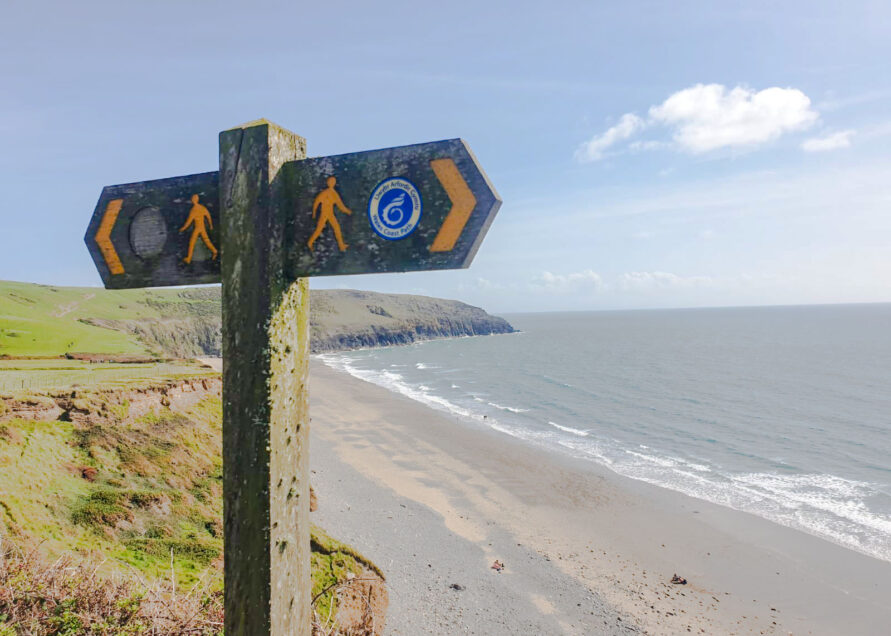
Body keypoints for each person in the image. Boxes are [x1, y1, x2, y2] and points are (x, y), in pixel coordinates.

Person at [307, 176, 352, 252]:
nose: (332, 183)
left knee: (337, 228)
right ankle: (310, 242)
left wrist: (347, 211)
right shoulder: (325, 193)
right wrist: (314, 213)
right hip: (324, 214)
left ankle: (341, 246)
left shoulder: (334, 194)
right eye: (330, 182)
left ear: (334, 183)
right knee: (319, 229)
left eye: (333, 182)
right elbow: (316, 202)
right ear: (328, 183)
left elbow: (340, 205)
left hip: (330, 214)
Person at [179, 194, 218, 264]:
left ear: (193, 200)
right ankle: (214, 251)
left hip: (198, 228)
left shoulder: (194, 210)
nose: (192, 200)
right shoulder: (202, 208)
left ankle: (189, 258)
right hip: (202, 228)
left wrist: (183, 228)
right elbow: (208, 216)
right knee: (206, 240)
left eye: (192, 199)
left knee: (192, 242)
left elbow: (189, 222)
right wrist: (211, 225)